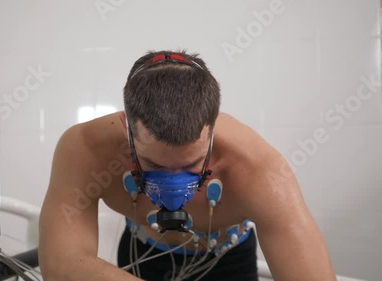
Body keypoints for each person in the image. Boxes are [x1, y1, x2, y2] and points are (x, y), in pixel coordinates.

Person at [38, 50, 336, 281]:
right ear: (125, 125)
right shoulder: (86, 150)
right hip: (140, 253)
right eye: (153, 164)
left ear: (213, 128)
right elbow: (60, 264)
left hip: (227, 259)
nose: (173, 184)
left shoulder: (260, 172)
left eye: (193, 165)